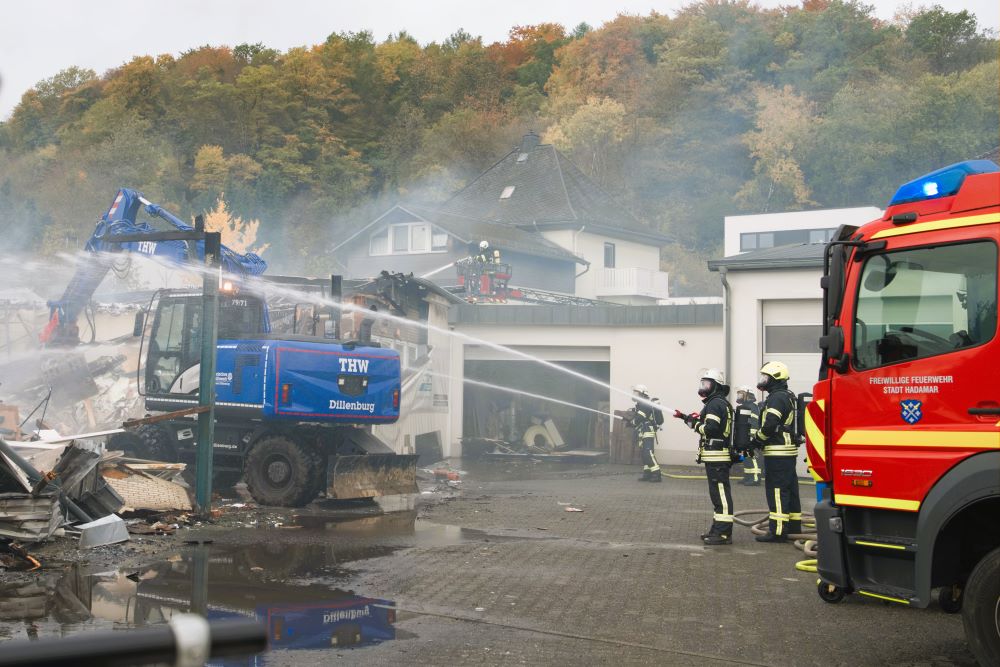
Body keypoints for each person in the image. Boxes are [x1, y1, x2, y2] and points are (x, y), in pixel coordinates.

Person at [677, 369, 735, 545]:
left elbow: (710, 429)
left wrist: (695, 423)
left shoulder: (715, 404)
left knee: (721, 496)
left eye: (707, 384)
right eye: (702, 383)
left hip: (717, 457)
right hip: (715, 457)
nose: (703, 387)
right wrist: (685, 418)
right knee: (717, 496)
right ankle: (717, 530)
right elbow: (707, 425)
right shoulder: (716, 403)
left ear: (716, 386)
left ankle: (723, 533)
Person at [753, 361, 801, 542]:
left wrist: (757, 439)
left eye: (766, 377)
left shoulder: (777, 398)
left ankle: (778, 531)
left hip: (777, 451)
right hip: (786, 451)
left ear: (775, 378)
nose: (763, 380)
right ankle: (794, 527)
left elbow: (771, 423)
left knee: (777, 491)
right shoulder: (786, 395)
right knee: (790, 490)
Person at [629, 385, 663, 482]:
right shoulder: (641, 404)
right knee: (644, 454)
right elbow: (639, 417)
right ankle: (648, 473)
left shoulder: (645, 404)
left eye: (636, 393)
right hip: (643, 430)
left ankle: (656, 474)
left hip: (647, 430)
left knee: (647, 453)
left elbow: (640, 418)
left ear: (642, 394)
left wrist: (631, 422)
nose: (634, 394)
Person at [734, 385, 762, 486]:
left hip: (751, 437)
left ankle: (755, 478)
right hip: (745, 437)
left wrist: (751, 437)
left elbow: (754, 423)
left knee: (753, 457)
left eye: (741, 394)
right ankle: (748, 477)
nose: (739, 396)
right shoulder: (744, 407)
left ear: (748, 395)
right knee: (746, 458)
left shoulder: (752, 407)